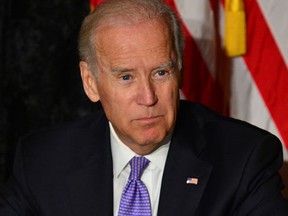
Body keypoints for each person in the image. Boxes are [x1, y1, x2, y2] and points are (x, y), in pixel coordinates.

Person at [1, 0, 288, 215]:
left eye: (160, 72)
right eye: (126, 77)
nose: (148, 97)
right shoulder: (42, 161)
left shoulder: (244, 158)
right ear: (90, 82)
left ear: (180, 71)